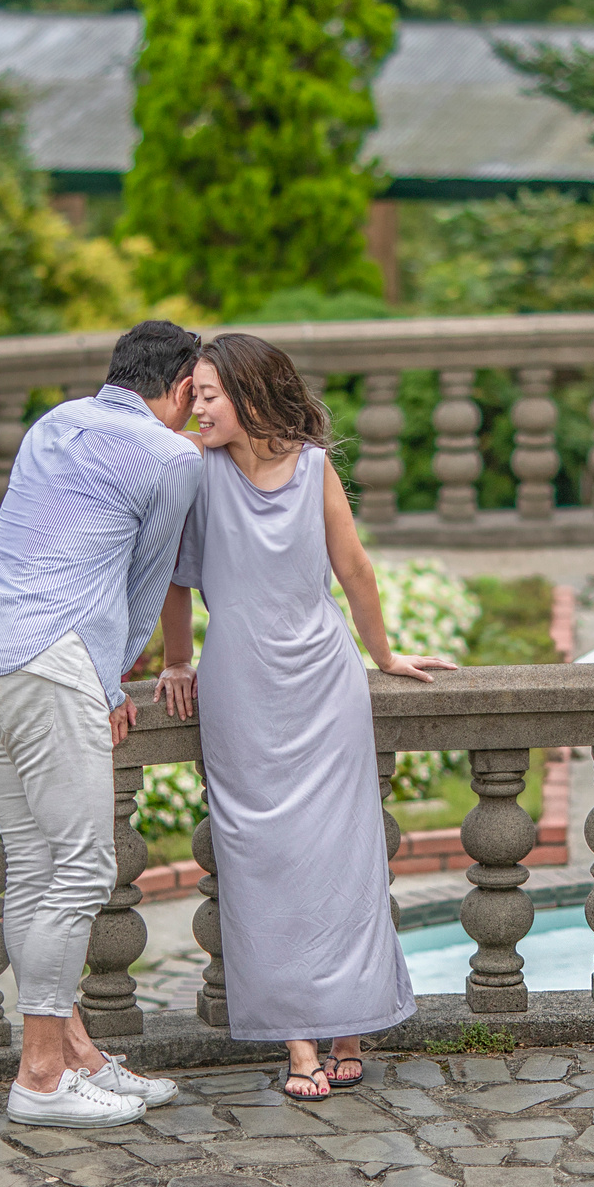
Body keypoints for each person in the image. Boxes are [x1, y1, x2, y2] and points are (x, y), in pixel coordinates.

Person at [157, 334, 453, 1101]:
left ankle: (350, 1026)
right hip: (239, 689)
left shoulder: (316, 468)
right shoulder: (195, 472)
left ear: (253, 395)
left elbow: (353, 566)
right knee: (260, 859)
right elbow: (174, 580)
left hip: (325, 682)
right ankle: (297, 1045)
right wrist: (177, 661)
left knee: (344, 854)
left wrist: (383, 655)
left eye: (211, 393)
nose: (198, 406)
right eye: (194, 393)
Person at [0, 320, 205, 1128]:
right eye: (194, 395)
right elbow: (147, 582)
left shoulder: (54, 421)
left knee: (34, 869)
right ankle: (39, 1077)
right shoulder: (174, 458)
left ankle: (76, 1054)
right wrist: (109, 679)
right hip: (49, 670)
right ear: (171, 392)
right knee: (85, 869)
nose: (197, 411)